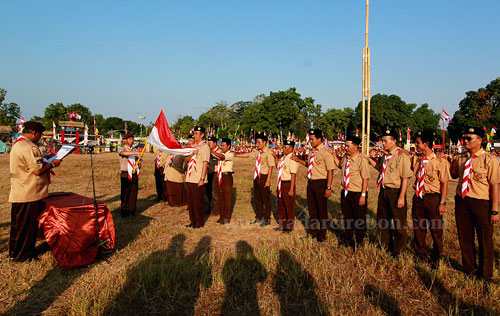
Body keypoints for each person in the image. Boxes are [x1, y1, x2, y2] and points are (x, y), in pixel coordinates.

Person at [450, 126, 499, 281]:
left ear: (479, 140)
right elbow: (453, 174)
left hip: (481, 202)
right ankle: (470, 269)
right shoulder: (461, 158)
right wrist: (451, 161)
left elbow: (495, 186)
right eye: (464, 138)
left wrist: (495, 210)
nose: (465, 141)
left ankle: (486, 274)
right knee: (465, 237)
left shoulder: (489, 160)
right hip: (462, 201)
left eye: (469, 138)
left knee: (485, 239)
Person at [9, 121, 61, 261]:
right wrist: (52, 164)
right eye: (39, 134)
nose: (40, 137)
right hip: (28, 191)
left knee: (19, 225)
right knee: (26, 226)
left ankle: (15, 251)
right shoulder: (27, 147)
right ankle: (24, 255)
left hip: (24, 190)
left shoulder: (21, 144)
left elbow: (40, 160)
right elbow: (37, 170)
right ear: (34, 133)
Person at [365, 128, 412, 256]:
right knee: (383, 221)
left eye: (386, 141)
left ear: (394, 141)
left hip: (396, 191)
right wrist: (369, 159)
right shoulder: (385, 156)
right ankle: (386, 246)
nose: (383, 143)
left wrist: (402, 196)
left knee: (398, 223)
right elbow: (380, 168)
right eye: (383, 141)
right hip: (384, 190)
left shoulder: (402, 155)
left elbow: (405, 177)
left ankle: (398, 251)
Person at [411, 130, 450, 267]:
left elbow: (444, 184)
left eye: (418, 143)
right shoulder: (418, 160)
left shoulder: (440, 162)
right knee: (418, 227)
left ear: (426, 144)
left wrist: (442, 202)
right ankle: (420, 254)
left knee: (436, 229)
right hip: (419, 197)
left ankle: (436, 256)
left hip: (433, 198)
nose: (415, 145)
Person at [292, 129, 334, 242]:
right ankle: (313, 232)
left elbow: (330, 170)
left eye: (312, 139)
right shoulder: (312, 151)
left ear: (319, 139)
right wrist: (298, 160)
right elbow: (309, 165)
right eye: (309, 139)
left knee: (322, 210)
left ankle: (322, 235)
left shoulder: (326, 152)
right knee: (312, 209)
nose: (310, 141)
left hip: (321, 182)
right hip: (311, 182)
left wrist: (328, 187)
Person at [332, 135, 370, 249]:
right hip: (346, 192)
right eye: (345, 145)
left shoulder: (361, 160)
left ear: (355, 146)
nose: (345, 148)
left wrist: (363, 195)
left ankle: (359, 242)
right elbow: (340, 165)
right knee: (347, 217)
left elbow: (366, 178)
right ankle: (347, 239)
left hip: (357, 192)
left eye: (348, 146)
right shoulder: (345, 157)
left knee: (359, 218)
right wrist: (333, 155)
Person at [235, 133, 274, 227]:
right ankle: (259, 216)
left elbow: (271, 167)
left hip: (264, 176)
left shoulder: (268, 153)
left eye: (259, 142)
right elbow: (248, 155)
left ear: (265, 143)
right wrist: (236, 155)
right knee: (257, 198)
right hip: (257, 176)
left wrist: (268, 180)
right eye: (257, 142)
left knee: (265, 199)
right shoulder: (258, 152)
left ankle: (267, 218)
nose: (258, 144)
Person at [184, 126, 210, 228]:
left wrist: (202, 179)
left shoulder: (204, 147)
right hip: (190, 177)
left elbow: (205, 164)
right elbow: (185, 160)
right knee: (190, 202)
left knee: (197, 201)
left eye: (196, 134)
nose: (194, 136)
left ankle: (199, 222)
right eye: (194, 134)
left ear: (202, 135)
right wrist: (192, 155)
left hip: (198, 177)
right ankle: (192, 221)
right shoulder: (193, 147)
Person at [274, 139, 299, 232]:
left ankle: (289, 226)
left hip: (288, 183)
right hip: (280, 183)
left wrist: (291, 189)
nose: (283, 149)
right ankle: (282, 224)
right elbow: (278, 167)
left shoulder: (292, 158)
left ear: (291, 148)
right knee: (281, 204)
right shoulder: (283, 158)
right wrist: (276, 158)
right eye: (283, 147)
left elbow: (293, 174)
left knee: (289, 205)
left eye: (285, 147)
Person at [211, 138, 235, 224]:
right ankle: (221, 217)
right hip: (220, 176)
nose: (222, 147)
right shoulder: (220, 153)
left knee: (227, 198)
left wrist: (213, 152)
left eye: (224, 145)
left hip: (227, 176)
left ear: (229, 146)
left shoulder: (230, 154)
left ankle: (227, 218)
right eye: (221, 145)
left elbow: (222, 156)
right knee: (220, 196)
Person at [118, 132, 141, 218]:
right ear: (125, 140)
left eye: (132, 139)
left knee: (133, 193)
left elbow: (139, 163)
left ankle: (132, 210)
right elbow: (124, 153)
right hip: (125, 174)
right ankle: (124, 211)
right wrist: (135, 153)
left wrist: (138, 162)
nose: (131, 141)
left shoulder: (135, 150)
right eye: (130, 139)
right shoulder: (122, 148)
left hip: (134, 174)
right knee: (125, 193)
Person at [207, 136, 221, 215]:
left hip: (215, 173)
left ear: (215, 143)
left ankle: (216, 210)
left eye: (210, 143)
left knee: (214, 193)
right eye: (208, 143)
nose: (209, 145)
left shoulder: (219, 151)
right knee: (208, 192)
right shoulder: (208, 151)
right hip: (208, 173)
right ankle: (210, 208)